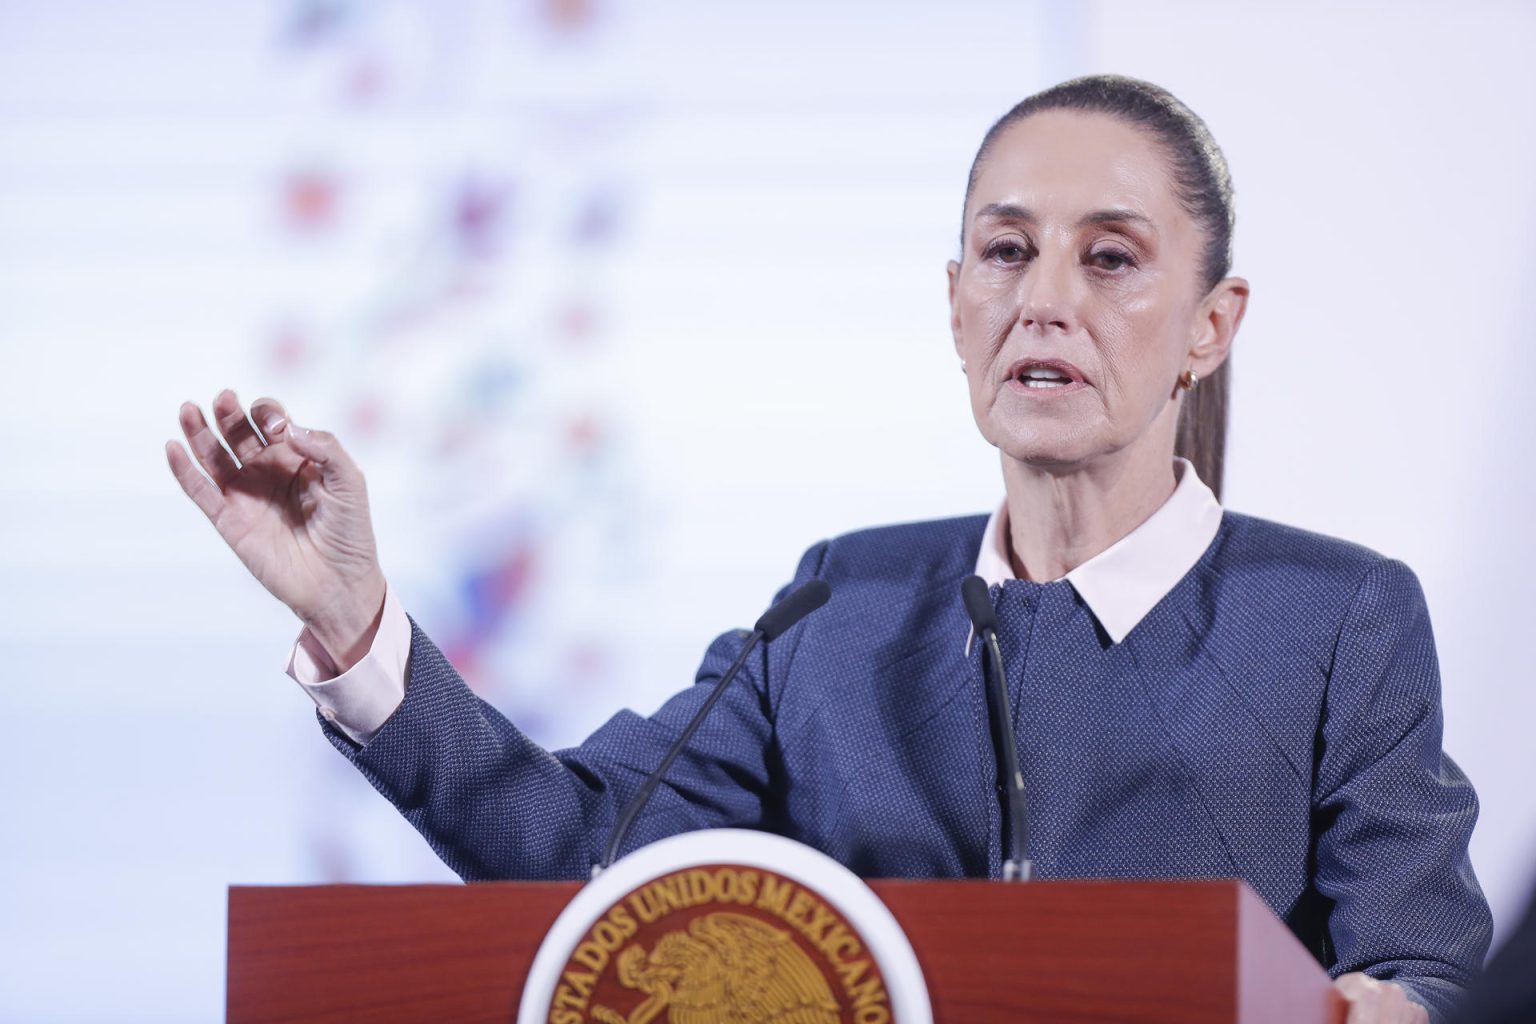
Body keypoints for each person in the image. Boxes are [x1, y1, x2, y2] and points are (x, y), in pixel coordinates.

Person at [166, 75, 1490, 1022]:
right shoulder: (840, 604)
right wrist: (356, 625)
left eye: (1111, 260)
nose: (1045, 299)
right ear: (956, 302)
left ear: (1211, 326)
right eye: (1007, 251)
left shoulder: (1336, 618)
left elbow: (1425, 958)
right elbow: (589, 860)